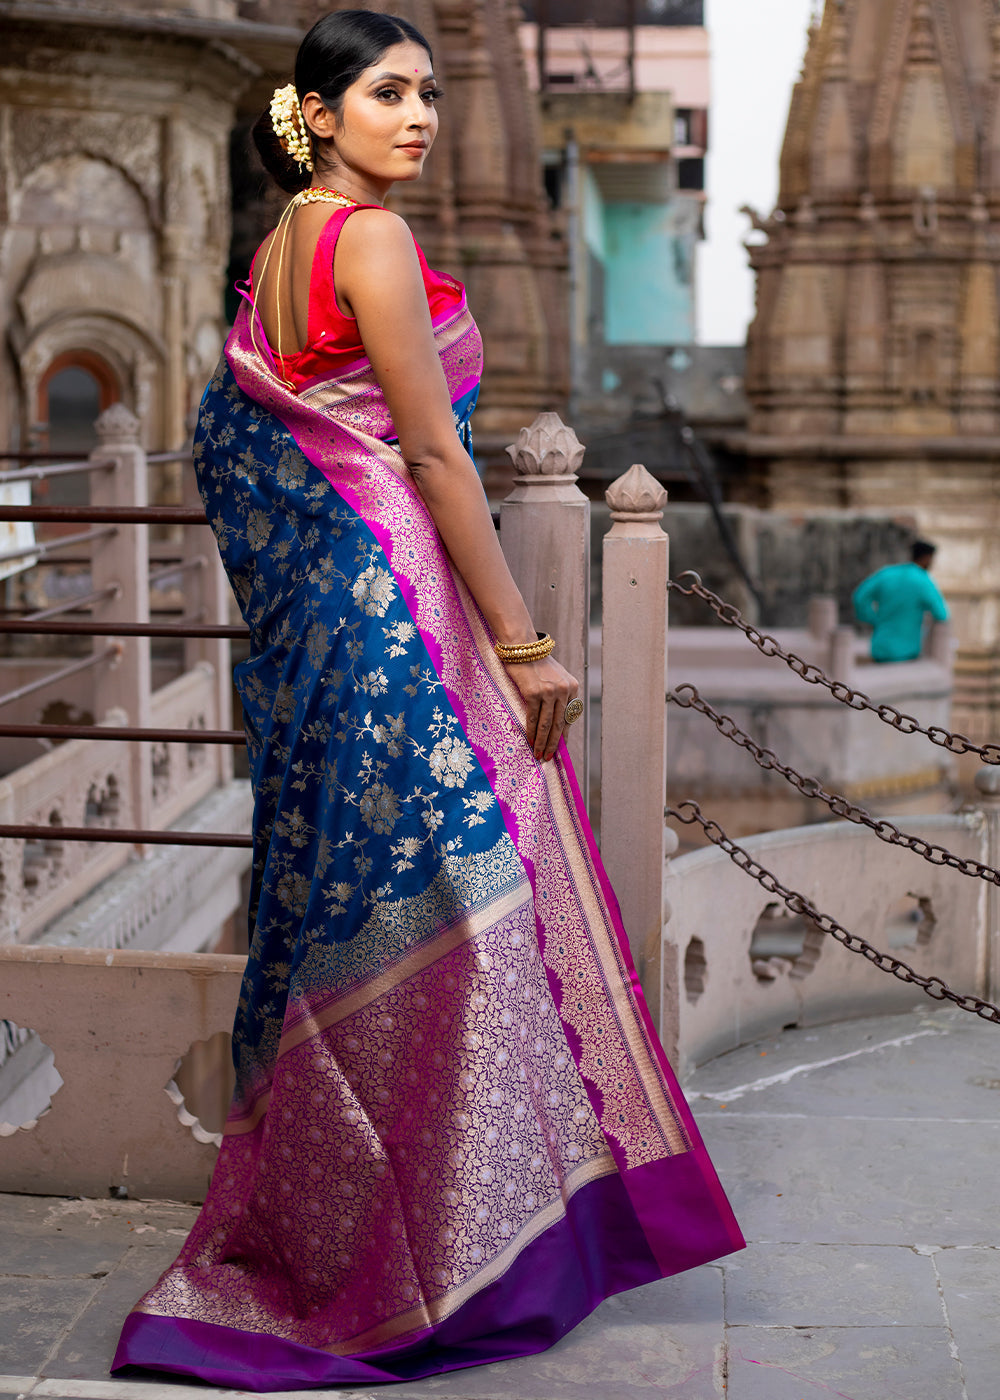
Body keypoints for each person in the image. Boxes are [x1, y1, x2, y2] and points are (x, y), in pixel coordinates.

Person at [112, 10, 743, 1389]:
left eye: (433, 92)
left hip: (325, 631)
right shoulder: (372, 240)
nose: (420, 115)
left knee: (363, 908)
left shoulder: (279, 248)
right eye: (386, 92)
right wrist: (524, 648)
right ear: (319, 111)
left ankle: (373, 1229)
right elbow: (444, 463)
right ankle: (451, 1259)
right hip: (392, 615)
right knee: (462, 910)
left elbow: (262, 437)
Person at [852, 540, 949, 662]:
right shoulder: (923, 581)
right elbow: (942, 614)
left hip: (880, 648)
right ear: (926, 558)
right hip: (907, 651)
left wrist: (873, 619)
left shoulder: (886, 573)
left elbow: (859, 597)